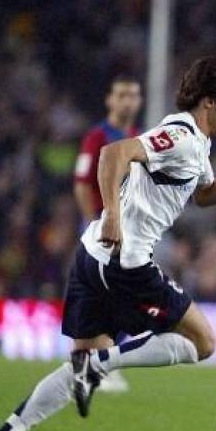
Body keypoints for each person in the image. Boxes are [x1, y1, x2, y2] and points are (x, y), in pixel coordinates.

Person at [0, 56, 216, 431]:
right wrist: (112, 212)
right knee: (204, 342)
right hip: (123, 263)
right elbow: (114, 154)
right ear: (209, 103)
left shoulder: (197, 143)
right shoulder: (180, 136)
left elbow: (204, 192)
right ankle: (101, 365)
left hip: (91, 256)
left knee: (83, 359)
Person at [74, 74, 143, 393]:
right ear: (110, 101)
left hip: (131, 229)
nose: (128, 101)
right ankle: (96, 362)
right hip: (104, 227)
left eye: (133, 95)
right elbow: (81, 183)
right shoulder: (97, 136)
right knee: (109, 294)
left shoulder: (136, 137)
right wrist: (95, 221)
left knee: (125, 296)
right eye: (122, 95)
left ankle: (97, 362)